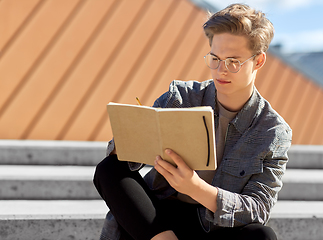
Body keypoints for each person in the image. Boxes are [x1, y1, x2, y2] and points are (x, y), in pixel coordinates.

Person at [93, 3, 292, 240]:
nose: (221, 70)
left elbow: (258, 209)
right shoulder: (182, 97)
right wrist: (136, 134)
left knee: (262, 235)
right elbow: (125, 161)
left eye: (233, 61)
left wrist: (195, 188)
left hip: (213, 227)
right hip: (157, 221)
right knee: (109, 168)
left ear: (258, 61)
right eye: (215, 58)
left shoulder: (272, 131)